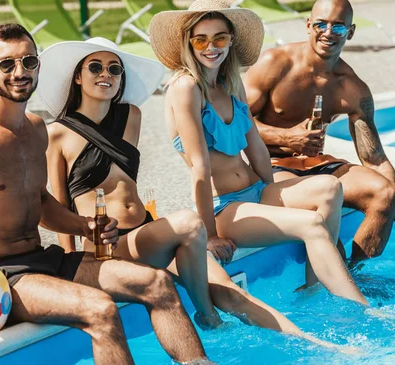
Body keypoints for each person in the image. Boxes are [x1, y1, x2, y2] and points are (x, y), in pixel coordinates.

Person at [0, 24, 268, 365]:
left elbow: (43, 204)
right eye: (7, 64)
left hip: (46, 259)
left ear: (38, 67)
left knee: (158, 284)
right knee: (100, 310)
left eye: (28, 61)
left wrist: (84, 226)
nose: (19, 72)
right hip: (4, 272)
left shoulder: (34, 129)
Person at [39, 37, 352, 347]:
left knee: (231, 292)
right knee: (190, 224)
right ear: (78, 76)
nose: (105, 74)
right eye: (95, 67)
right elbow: (61, 207)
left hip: (147, 232)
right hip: (112, 245)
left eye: (114, 69)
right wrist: (75, 268)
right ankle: (209, 319)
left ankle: (319, 345)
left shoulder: (130, 117)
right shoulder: (57, 134)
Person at [149, 0, 368, 306]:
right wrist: (209, 236)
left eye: (220, 38)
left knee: (330, 188)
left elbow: (256, 149)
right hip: (225, 207)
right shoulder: (186, 88)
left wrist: (273, 189)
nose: (211, 47)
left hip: (257, 189)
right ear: (188, 42)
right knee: (311, 224)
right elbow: (200, 168)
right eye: (201, 39)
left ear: (231, 40)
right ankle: (361, 308)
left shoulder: (230, 83)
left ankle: (314, 289)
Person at [244, 0, 395, 260]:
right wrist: (287, 137)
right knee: (318, 208)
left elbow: (375, 160)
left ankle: (356, 272)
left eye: (338, 27)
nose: (328, 33)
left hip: (318, 165)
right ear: (308, 25)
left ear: (350, 33)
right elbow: (233, 124)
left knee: (386, 193)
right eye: (321, 24)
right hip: (272, 166)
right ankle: (339, 277)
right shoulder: (275, 63)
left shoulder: (351, 88)